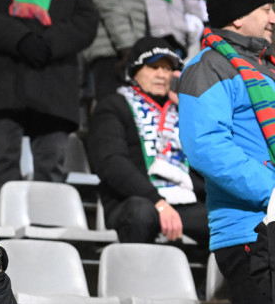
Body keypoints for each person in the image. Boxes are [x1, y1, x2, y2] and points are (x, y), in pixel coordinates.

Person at [179, 0, 275, 304]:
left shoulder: (267, 67)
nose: (274, 17)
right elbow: (205, 147)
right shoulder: (207, 67)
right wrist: (273, 190)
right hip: (249, 229)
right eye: (267, 8)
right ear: (238, 15)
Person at [0, 0, 98, 221]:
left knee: (51, 162)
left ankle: (45, 225)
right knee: (4, 157)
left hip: (55, 80)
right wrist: (20, 38)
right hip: (6, 77)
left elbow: (87, 20)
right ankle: (3, 221)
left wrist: (50, 43)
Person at [87, 36, 208, 245]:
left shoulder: (182, 110)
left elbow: (208, 157)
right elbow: (111, 163)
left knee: (237, 222)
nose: (162, 74)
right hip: (134, 201)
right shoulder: (113, 106)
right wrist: (158, 202)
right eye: (153, 67)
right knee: (141, 213)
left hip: (185, 203)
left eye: (167, 68)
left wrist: (190, 109)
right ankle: (135, 277)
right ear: (134, 71)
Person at [82, 0, 145, 105]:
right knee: (112, 108)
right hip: (113, 52)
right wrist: (127, 46)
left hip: (133, 49)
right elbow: (109, 5)